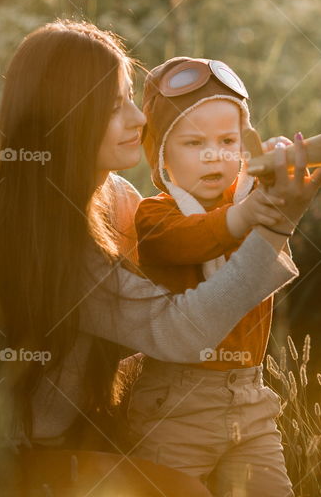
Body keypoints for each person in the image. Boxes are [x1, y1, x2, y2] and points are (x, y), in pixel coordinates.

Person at [0, 21, 321, 493]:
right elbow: (179, 331)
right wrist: (274, 224)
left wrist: (256, 187)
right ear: (66, 119)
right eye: (113, 107)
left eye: (131, 98)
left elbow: (190, 240)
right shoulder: (36, 235)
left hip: (46, 445)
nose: (139, 119)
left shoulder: (116, 198)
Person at [128, 56, 297, 496]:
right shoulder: (156, 216)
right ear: (161, 151)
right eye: (192, 143)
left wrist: (281, 165)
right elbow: (195, 238)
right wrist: (243, 216)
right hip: (174, 405)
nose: (213, 155)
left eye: (228, 140)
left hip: (250, 397)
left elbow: (267, 233)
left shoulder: (251, 199)